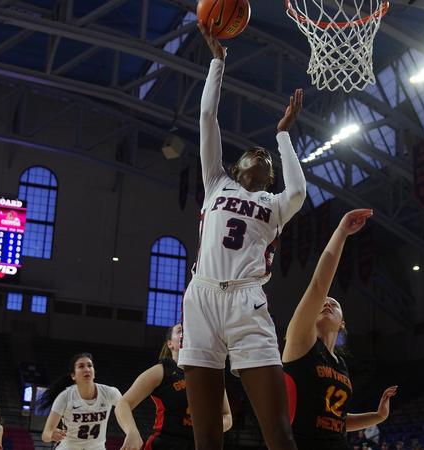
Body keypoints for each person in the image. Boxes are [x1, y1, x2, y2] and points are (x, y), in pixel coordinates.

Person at [178, 20, 307, 450]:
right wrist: (218, 64)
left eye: (267, 158)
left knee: (279, 432)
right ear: (235, 168)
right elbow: (207, 117)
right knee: (206, 436)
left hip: (248, 302)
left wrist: (283, 136)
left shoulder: (275, 205)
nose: (262, 155)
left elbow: (300, 190)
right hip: (201, 296)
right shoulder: (216, 182)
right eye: (257, 153)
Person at [282, 209, 397, 449]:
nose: (326, 303)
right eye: (323, 302)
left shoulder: (340, 365)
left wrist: (378, 416)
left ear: (342, 322)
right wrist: (341, 233)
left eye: (333, 304)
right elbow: (318, 286)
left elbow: (338, 420)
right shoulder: (301, 340)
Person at [115, 323, 232, 450]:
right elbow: (123, 403)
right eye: (180, 330)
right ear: (170, 344)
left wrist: (210, 427)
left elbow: (227, 416)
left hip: (199, 444)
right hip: (166, 443)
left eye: (189, 329)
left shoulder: (210, 373)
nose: (186, 332)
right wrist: (132, 432)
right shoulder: (161, 371)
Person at [38, 353, 122, 450]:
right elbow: (45, 435)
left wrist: (131, 431)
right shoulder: (64, 397)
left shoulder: (109, 392)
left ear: (94, 372)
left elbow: (125, 408)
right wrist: (51, 435)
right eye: (81, 366)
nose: (87, 369)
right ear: (73, 375)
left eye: (90, 365)